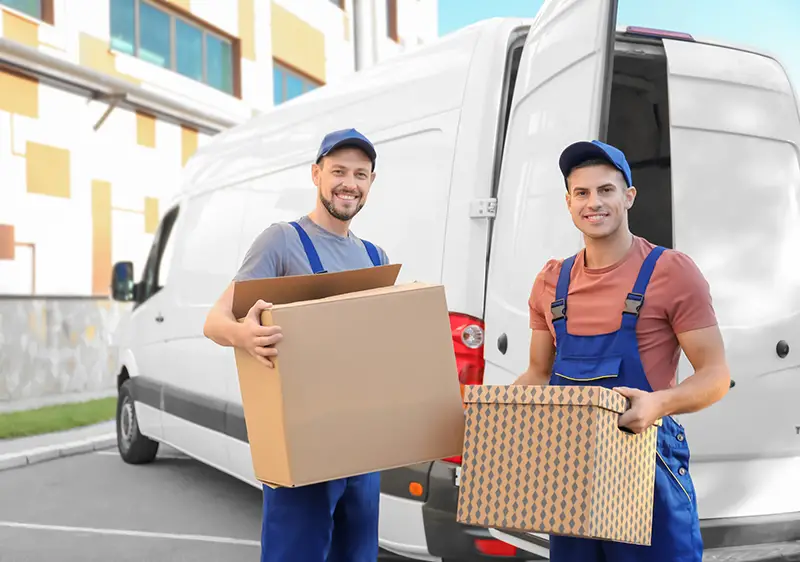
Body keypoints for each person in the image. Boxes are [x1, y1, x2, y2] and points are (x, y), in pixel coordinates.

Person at [514, 140, 731, 561]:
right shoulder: (550, 282)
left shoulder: (670, 272)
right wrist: (488, 415)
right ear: (568, 202)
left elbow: (715, 375)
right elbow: (538, 375)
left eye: (606, 190)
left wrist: (659, 404)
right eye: (582, 193)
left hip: (647, 469)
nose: (593, 202)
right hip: (571, 478)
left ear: (628, 196)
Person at [203, 128, 390, 562]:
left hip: (362, 445)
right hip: (300, 439)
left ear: (371, 183)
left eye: (360, 174)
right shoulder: (282, 241)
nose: (350, 183)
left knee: (357, 556)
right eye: (338, 171)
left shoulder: (376, 257)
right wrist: (244, 336)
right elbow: (215, 320)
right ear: (316, 174)